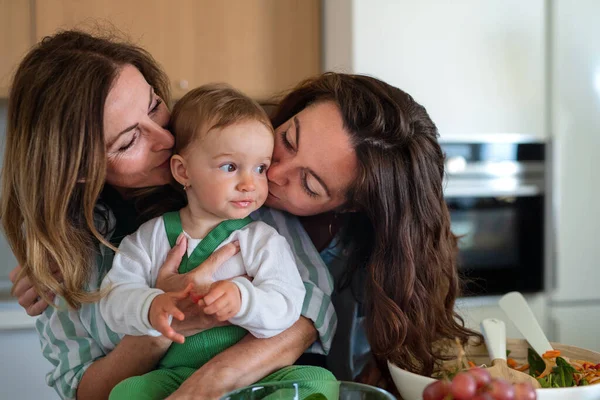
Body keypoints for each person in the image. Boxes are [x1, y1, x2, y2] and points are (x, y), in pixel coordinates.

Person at [5, 30, 480, 399]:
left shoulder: (240, 195)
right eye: (129, 140)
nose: (264, 175)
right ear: (80, 170)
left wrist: (207, 383)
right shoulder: (205, 172)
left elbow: (308, 306)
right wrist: (160, 317)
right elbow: (84, 386)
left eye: (155, 105)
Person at [100, 84, 335, 399]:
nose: (249, 184)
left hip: (259, 377)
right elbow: (114, 299)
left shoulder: (262, 238)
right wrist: (151, 305)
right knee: (127, 392)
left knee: (319, 382)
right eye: (230, 167)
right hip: (179, 378)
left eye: (260, 168)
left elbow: (287, 303)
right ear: (184, 171)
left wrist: (243, 299)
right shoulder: (149, 238)